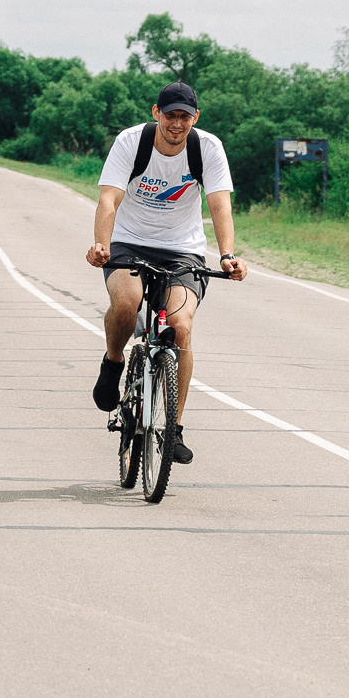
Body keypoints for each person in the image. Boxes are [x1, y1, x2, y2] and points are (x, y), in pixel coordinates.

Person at [85, 82, 246, 464]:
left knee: (182, 325)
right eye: (170, 115)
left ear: (195, 118)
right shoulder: (131, 142)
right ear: (157, 112)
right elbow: (109, 197)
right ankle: (113, 362)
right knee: (126, 302)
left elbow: (220, 205)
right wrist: (101, 244)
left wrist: (227, 255)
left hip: (182, 247)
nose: (177, 124)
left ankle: (172, 427)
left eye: (184, 117)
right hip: (128, 240)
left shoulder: (207, 148)